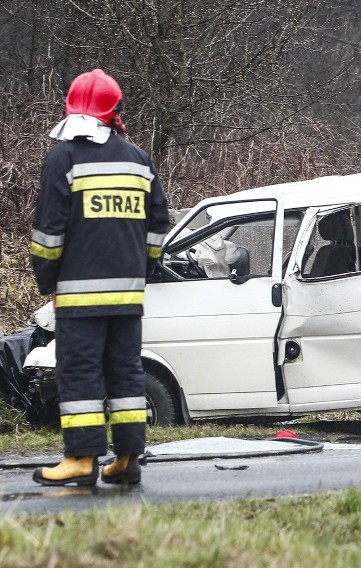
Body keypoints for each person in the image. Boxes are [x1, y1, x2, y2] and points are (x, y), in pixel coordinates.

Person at [30, 69, 169, 486]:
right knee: (126, 372)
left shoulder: (63, 158)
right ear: (114, 112)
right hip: (128, 295)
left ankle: (82, 459)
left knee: (80, 373)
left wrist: (47, 280)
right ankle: (127, 458)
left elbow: (48, 234)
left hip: (78, 296)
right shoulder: (139, 159)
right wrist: (140, 271)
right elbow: (158, 225)